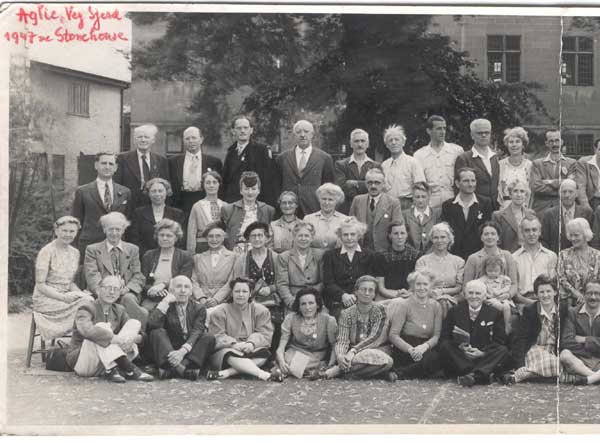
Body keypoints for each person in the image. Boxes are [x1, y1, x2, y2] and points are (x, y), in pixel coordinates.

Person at [66, 275, 154, 383]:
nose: (112, 292)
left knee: (134, 323)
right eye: (108, 288)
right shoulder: (86, 307)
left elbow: (141, 337)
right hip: (85, 362)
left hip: (107, 362)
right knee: (101, 327)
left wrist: (131, 339)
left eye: (116, 289)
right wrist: (114, 338)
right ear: (98, 290)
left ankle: (112, 370)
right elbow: (86, 330)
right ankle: (129, 368)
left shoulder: (119, 310)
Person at [33, 216, 94, 341]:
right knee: (85, 307)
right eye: (64, 231)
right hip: (46, 298)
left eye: (72, 231)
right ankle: (78, 343)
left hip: (66, 294)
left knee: (90, 300)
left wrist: (80, 294)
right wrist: (63, 297)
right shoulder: (47, 251)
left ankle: (82, 344)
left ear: (76, 233)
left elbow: (69, 282)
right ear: (56, 231)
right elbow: (40, 284)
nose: (68, 234)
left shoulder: (75, 252)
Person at [207, 277, 279, 381]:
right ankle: (263, 374)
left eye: (244, 291)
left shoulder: (261, 311)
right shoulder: (219, 312)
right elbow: (217, 335)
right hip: (228, 350)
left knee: (263, 354)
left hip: (251, 349)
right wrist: (234, 344)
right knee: (230, 355)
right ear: (232, 293)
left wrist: (251, 343)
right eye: (237, 291)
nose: (240, 295)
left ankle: (227, 373)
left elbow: (264, 333)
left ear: (250, 293)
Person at [439, 280, 509, 387]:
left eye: (478, 293)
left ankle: (472, 375)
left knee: (502, 350)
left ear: (485, 296)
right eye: (470, 293)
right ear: (465, 295)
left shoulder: (495, 313)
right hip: (461, 356)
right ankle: (481, 374)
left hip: (483, 356)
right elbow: (445, 337)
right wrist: (462, 348)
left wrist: (482, 352)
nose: (474, 296)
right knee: (445, 346)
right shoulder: (454, 311)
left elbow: (499, 340)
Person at [83, 212, 148, 327]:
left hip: (125, 291)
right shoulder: (93, 249)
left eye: (118, 229)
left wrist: (127, 289)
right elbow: (92, 274)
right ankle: (106, 335)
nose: (114, 233)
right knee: (103, 300)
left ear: (123, 230)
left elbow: (138, 275)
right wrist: (104, 291)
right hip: (102, 290)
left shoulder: (133, 249)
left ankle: (139, 334)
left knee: (128, 299)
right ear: (104, 229)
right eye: (110, 229)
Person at [147, 275, 216, 380]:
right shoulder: (164, 305)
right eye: (179, 286)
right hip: (169, 349)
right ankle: (184, 371)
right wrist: (165, 302)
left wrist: (182, 351)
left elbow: (197, 331)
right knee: (157, 332)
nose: (183, 290)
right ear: (171, 290)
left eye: (186, 287)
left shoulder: (199, 308)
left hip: (188, 350)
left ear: (191, 291)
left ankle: (172, 370)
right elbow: (151, 325)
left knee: (209, 337)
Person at [505, 274, 565, 384]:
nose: (545, 295)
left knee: (562, 363)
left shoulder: (563, 309)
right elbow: (520, 338)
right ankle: (527, 371)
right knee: (556, 365)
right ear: (537, 294)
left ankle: (524, 375)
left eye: (548, 291)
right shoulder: (530, 310)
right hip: (536, 348)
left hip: (553, 350)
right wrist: (520, 364)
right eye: (541, 292)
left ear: (555, 292)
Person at [331, 275, 394, 380]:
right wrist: (340, 356)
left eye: (371, 290)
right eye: (363, 289)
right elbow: (342, 339)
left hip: (376, 349)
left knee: (387, 362)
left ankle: (340, 371)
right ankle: (360, 373)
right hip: (353, 354)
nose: (367, 293)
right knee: (379, 363)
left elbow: (375, 337)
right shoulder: (346, 313)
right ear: (356, 291)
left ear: (374, 294)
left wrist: (353, 351)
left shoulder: (381, 311)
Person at [72, 152, 133, 259]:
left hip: (116, 244)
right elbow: (77, 221)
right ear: (96, 165)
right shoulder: (82, 191)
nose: (107, 167)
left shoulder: (125, 192)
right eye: (103, 163)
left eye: (111, 164)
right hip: (90, 245)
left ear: (116, 168)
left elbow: (128, 220)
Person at [232, 222, 283, 350]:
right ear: (248, 239)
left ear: (267, 238)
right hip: (250, 302)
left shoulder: (277, 258)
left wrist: (271, 288)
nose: (257, 239)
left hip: (274, 303)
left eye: (260, 235)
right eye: (253, 236)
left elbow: (283, 281)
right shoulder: (242, 260)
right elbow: (236, 283)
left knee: (275, 324)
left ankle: (272, 355)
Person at [388, 270, 443, 379]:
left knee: (434, 358)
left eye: (425, 284)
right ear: (413, 285)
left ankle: (400, 374)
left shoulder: (436, 306)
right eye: (418, 284)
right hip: (406, 346)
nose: (421, 287)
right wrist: (410, 350)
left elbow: (436, 336)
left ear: (431, 286)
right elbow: (393, 335)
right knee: (429, 365)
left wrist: (423, 347)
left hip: (425, 347)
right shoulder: (404, 305)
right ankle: (411, 371)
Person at [275, 288, 338, 379]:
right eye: (303, 304)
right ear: (299, 306)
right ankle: (311, 371)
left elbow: (334, 346)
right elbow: (281, 347)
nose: (307, 307)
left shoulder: (328, 320)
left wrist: (331, 365)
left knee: (294, 365)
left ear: (317, 305)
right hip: (294, 353)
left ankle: (291, 371)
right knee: (286, 360)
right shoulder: (291, 318)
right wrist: (281, 361)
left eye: (311, 303)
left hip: (316, 355)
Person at [277, 119, 335, 217]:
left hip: (314, 208)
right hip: (289, 209)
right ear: (294, 135)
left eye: (306, 131)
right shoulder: (282, 158)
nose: (302, 135)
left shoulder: (324, 158)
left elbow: (329, 188)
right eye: (298, 132)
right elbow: (277, 186)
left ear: (312, 134)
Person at [322, 217, 375, 318]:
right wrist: (343, 295)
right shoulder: (330, 255)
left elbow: (370, 280)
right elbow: (328, 282)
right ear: (340, 236)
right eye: (345, 235)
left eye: (352, 234)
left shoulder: (369, 255)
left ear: (359, 235)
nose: (349, 238)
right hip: (338, 301)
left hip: (363, 300)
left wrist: (357, 296)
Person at [221, 115, 280, 207]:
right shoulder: (231, 152)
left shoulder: (261, 151)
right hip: (233, 203)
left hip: (255, 202)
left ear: (251, 130)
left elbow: (268, 180)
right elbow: (225, 180)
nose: (243, 131)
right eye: (239, 128)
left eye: (245, 128)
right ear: (233, 131)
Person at [168, 126, 223, 220]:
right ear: (183, 141)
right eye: (187, 138)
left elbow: (220, 186)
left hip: (203, 200)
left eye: (194, 138)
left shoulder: (214, 162)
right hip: (180, 203)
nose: (191, 141)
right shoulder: (172, 161)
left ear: (201, 139)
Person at [140, 219, 194, 312]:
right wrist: (153, 290)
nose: (164, 238)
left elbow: (184, 279)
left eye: (169, 235)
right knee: (145, 313)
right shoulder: (148, 255)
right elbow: (143, 281)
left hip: (176, 297)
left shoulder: (185, 256)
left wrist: (163, 285)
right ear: (157, 236)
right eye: (161, 235)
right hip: (152, 298)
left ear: (176, 238)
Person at [441, 167, 493, 259]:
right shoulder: (448, 206)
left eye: (473, 180)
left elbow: (488, 229)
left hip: (479, 255)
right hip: (455, 255)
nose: (470, 184)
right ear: (457, 183)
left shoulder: (485, 203)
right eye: (466, 181)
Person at [415, 222, 465, 318]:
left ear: (449, 239)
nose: (439, 241)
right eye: (436, 237)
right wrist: (435, 294)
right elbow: (420, 284)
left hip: (452, 297)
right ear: (432, 240)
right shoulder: (423, 261)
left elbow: (459, 287)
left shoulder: (459, 261)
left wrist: (442, 293)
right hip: (428, 296)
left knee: (445, 302)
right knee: (441, 303)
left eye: (443, 237)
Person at [413, 115, 464, 208]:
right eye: (438, 129)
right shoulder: (419, 155)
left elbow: (462, 177)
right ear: (429, 131)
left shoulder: (456, 151)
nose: (443, 132)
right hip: (431, 201)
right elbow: (419, 183)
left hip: (452, 198)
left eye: (444, 128)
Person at [114, 124, 170, 209]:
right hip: (129, 206)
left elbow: (166, 186)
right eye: (139, 137)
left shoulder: (161, 160)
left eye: (146, 137)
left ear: (153, 140)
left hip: (153, 206)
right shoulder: (122, 159)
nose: (143, 140)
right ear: (134, 140)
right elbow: (117, 184)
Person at [349, 168, 403, 252]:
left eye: (377, 183)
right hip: (361, 251)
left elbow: (397, 228)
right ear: (366, 184)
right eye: (370, 182)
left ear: (383, 184)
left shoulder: (393, 202)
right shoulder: (357, 200)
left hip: (385, 251)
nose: (373, 186)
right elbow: (350, 226)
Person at [463, 221, 519, 301]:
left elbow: (514, 284)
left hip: (503, 298)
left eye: (493, 234)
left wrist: (508, 295)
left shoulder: (507, 256)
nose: (489, 237)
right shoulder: (473, 258)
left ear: (498, 237)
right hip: (479, 300)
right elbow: (466, 286)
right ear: (481, 237)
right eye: (486, 234)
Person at [129, 178, 185, 257]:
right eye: (153, 191)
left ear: (167, 192)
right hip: (144, 257)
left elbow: (180, 240)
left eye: (160, 191)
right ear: (148, 193)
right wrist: (147, 256)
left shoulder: (177, 214)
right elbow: (134, 239)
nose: (157, 194)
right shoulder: (138, 213)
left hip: (171, 257)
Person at [221, 171, 275, 252]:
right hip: (235, 254)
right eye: (246, 189)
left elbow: (270, 236)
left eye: (253, 189)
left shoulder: (268, 210)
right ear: (241, 191)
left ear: (259, 190)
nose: (250, 192)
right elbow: (223, 236)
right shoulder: (228, 209)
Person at [276, 221, 325, 312]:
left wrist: (311, 298)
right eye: (300, 236)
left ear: (312, 238)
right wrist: (291, 302)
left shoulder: (320, 255)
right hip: (293, 299)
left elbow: (323, 282)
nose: (303, 239)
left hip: (314, 299)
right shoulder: (284, 257)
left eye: (306, 236)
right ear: (294, 237)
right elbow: (282, 284)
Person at [560, 279, 600, 385]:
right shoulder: (573, 312)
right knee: (565, 355)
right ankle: (595, 377)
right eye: (589, 293)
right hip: (581, 361)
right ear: (583, 293)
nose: (593, 297)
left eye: (597, 293)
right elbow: (567, 341)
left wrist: (585, 340)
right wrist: (589, 352)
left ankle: (589, 379)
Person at [454, 118, 500, 210]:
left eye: (487, 133)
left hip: (495, 207)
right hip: (474, 208)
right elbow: (459, 187)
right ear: (472, 135)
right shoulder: (464, 158)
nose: (484, 135)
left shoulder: (495, 157)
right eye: (479, 133)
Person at [512, 215, 557, 305]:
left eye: (534, 230)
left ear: (540, 232)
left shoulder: (551, 256)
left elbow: (553, 286)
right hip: (523, 303)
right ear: (521, 233)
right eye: (527, 230)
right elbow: (515, 292)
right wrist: (531, 303)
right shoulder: (514, 258)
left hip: (546, 301)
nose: (531, 234)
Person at [530, 129, 576, 217]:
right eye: (551, 141)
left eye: (557, 140)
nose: (554, 144)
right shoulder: (537, 163)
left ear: (562, 141)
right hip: (541, 208)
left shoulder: (571, 163)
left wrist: (549, 182)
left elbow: (572, 185)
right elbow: (536, 187)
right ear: (546, 143)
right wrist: (562, 186)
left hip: (563, 207)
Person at [191, 222, 237, 309]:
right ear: (206, 238)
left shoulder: (234, 257)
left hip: (224, 302)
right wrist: (201, 298)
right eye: (210, 236)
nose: (214, 239)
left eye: (218, 236)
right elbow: (193, 281)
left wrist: (217, 299)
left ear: (223, 238)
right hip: (201, 303)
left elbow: (232, 281)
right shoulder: (198, 257)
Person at [334, 128, 380, 214]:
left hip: (369, 210)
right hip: (347, 210)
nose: (360, 144)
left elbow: (377, 188)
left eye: (363, 141)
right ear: (351, 144)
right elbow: (341, 188)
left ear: (368, 144)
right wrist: (366, 184)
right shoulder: (340, 165)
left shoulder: (376, 166)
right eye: (356, 141)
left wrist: (354, 183)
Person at [380, 124, 426, 210]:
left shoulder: (413, 162)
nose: (393, 143)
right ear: (386, 145)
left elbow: (420, 187)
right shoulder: (384, 165)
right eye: (390, 140)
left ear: (403, 142)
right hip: (388, 206)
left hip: (407, 205)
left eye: (397, 139)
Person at [541, 178, 593, 253]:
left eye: (570, 192)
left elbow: (591, 239)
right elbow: (544, 240)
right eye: (564, 192)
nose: (567, 195)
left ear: (576, 193)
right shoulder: (549, 214)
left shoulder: (587, 213)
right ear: (559, 193)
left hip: (581, 258)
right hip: (556, 257)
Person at [373, 223, 421, 303]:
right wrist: (397, 295)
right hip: (386, 296)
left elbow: (417, 283)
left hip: (410, 295)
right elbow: (381, 288)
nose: (399, 237)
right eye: (396, 233)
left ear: (407, 235)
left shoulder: (416, 255)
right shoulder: (380, 256)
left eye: (402, 233)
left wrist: (408, 293)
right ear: (390, 236)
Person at [558, 218, 600, 308]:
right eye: (571, 235)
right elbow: (561, 279)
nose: (573, 238)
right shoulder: (563, 255)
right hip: (570, 304)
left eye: (576, 235)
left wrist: (589, 296)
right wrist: (576, 294)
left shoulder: (598, 256)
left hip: (595, 302)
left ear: (585, 235)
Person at [491, 178, 536, 253]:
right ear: (510, 194)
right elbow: (495, 242)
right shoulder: (498, 215)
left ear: (526, 195)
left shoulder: (531, 214)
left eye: (522, 191)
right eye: (515, 191)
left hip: (527, 255)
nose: (519, 195)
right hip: (508, 256)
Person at [186, 170, 226, 254]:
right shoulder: (197, 206)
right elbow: (191, 232)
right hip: (202, 245)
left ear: (219, 184)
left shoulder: (226, 205)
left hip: (222, 245)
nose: (211, 185)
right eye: (208, 183)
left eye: (214, 182)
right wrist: (191, 252)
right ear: (203, 185)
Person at [476, 255, 515, 335]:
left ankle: (508, 326)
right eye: (490, 271)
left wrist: (501, 292)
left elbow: (508, 287)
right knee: (500, 306)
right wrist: (488, 296)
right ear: (485, 269)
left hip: (503, 298)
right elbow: (480, 290)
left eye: (496, 271)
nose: (493, 273)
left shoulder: (504, 279)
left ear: (501, 270)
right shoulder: (482, 280)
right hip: (490, 300)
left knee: (507, 306)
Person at [497, 127, 533, 209]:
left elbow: (532, 192)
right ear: (507, 144)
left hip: (524, 208)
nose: (514, 145)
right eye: (511, 142)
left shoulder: (530, 165)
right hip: (504, 208)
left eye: (517, 141)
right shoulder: (500, 165)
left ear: (523, 144)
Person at [304, 183, 346, 250]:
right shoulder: (308, 219)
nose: (326, 203)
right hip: (313, 258)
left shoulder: (345, 220)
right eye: (324, 199)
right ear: (319, 200)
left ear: (336, 201)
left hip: (336, 259)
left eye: (330, 200)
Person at [402, 181, 441, 252]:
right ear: (413, 197)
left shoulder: (437, 214)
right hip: (410, 255)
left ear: (429, 197)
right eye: (417, 197)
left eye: (423, 197)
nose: (420, 200)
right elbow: (403, 239)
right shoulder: (405, 215)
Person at [575, 138, 600, 212]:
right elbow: (580, 187)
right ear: (595, 150)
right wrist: (586, 208)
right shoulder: (584, 162)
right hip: (591, 201)